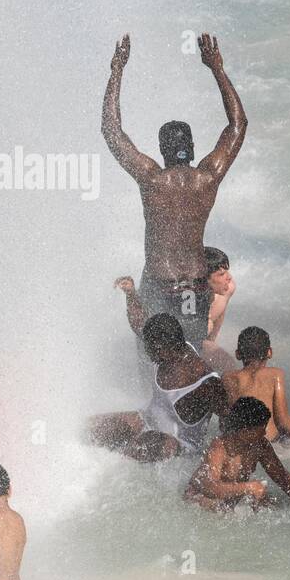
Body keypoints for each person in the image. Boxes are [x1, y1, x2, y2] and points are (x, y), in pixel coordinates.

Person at [101, 33, 247, 347]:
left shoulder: (152, 178)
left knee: (152, 355)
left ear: (162, 149)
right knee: (190, 354)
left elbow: (111, 131)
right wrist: (217, 69)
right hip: (194, 284)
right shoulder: (208, 177)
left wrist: (117, 71)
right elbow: (238, 125)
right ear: (192, 148)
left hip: (158, 282)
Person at [88, 313, 227, 461]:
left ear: (164, 347)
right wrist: (130, 292)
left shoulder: (205, 383)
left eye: (149, 347)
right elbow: (138, 323)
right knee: (96, 426)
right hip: (147, 421)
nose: (147, 351)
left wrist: (217, 457)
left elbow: (230, 422)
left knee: (152, 441)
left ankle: (111, 464)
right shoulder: (168, 352)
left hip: (178, 446)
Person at [185, 397, 290, 511]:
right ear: (244, 431)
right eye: (261, 429)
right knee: (210, 504)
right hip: (199, 499)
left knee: (272, 504)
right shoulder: (219, 447)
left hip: (230, 499)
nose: (264, 433)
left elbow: (282, 477)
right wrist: (249, 488)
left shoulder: (260, 445)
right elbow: (209, 487)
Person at [223, 326, 290, 444]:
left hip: (239, 442)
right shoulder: (275, 375)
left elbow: (226, 418)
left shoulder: (228, 377)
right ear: (269, 352)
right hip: (270, 441)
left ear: (238, 354)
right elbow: (282, 420)